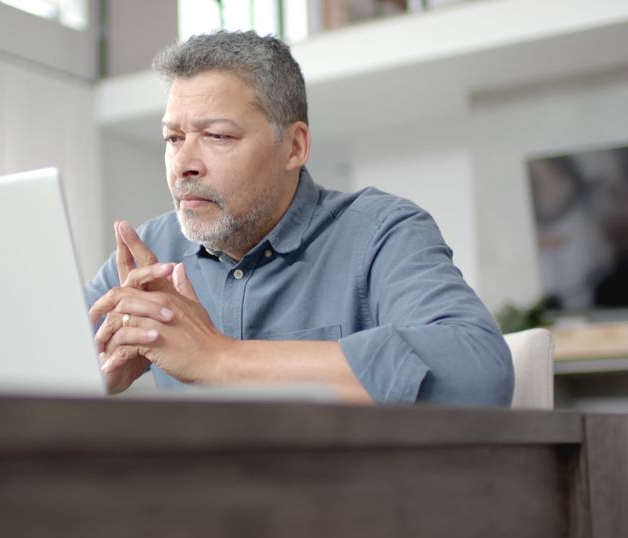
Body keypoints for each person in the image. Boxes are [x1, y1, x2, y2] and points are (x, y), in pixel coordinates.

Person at [86, 30, 512, 405]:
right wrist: (92, 378)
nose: (183, 164)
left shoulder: (379, 231)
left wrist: (219, 356)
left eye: (217, 136)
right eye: (173, 138)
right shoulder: (149, 253)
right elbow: (37, 367)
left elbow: (478, 372)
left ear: (294, 147)